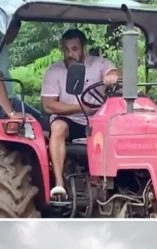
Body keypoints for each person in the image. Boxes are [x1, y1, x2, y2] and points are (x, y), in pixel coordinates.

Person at [40, 29, 120, 199]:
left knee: (117, 125)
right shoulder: (54, 72)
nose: (70, 53)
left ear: (84, 48)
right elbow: (49, 106)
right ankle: (59, 184)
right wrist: (81, 107)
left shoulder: (98, 64)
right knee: (58, 127)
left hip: (98, 120)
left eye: (75, 49)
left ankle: (111, 181)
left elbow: (114, 73)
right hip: (70, 120)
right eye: (66, 49)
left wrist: (112, 77)